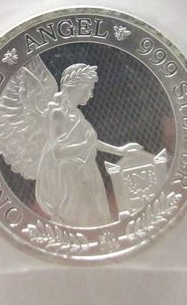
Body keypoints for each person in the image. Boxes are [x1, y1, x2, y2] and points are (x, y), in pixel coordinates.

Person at [35, 63, 141, 227]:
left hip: (86, 170)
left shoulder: (76, 113)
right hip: (71, 176)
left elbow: (91, 141)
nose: (90, 95)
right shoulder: (58, 114)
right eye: (86, 90)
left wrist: (119, 150)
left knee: (97, 217)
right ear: (73, 88)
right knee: (81, 218)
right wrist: (85, 145)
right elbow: (57, 152)